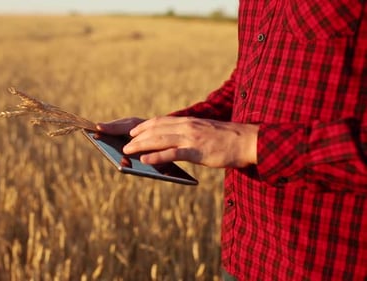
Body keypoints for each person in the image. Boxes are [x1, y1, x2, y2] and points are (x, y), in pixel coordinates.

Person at [97, 1, 367, 280]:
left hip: (327, 262)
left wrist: (250, 145)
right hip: (245, 254)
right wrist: (170, 128)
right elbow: (245, 83)